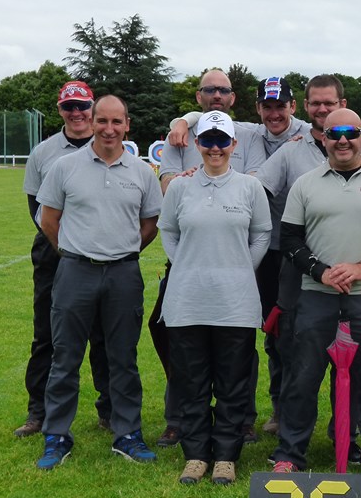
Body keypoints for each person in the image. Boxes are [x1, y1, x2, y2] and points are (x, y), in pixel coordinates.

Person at [272, 108, 361, 475]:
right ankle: (290, 454)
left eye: (351, 132)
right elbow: (289, 239)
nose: (343, 140)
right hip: (316, 294)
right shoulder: (306, 184)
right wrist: (321, 271)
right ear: (323, 139)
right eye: (334, 134)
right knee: (303, 376)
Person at [34, 95, 163, 470]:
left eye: (116, 122)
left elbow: (150, 224)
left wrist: (122, 251)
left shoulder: (142, 172)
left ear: (127, 125)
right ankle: (57, 436)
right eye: (102, 121)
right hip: (76, 271)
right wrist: (73, 253)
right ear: (91, 123)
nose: (109, 129)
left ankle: (128, 434)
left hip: (124, 274)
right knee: (65, 358)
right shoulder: (65, 167)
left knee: (123, 358)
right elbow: (49, 220)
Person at [254, 75, 361, 459]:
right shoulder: (291, 150)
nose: (323, 109)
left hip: (354, 272)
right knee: (298, 357)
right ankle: (292, 441)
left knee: (352, 358)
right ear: (305, 107)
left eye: (329, 103)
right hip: (300, 267)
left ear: (342, 104)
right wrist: (206, 178)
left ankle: (346, 438)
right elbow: (255, 189)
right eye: (316, 103)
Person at [150, 69, 266, 448]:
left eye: (224, 90)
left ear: (234, 98)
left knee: (237, 353)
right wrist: (182, 123)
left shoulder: (250, 135)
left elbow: (259, 216)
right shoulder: (179, 138)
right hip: (189, 265)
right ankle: (180, 421)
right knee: (181, 344)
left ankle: (239, 424)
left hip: (234, 268)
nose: (217, 94)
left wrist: (241, 264)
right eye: (209, 89)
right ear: (198, 96)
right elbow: (168, 204)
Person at [14, 80, 112, 438]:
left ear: (92, 108)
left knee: (103, 336)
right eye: (69, 106)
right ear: (60, 110)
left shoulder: (110, 145)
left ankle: (110, 410)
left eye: (82, 106)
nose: (76, 113)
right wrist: (65, 248)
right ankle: (38, 412)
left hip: (101, 254)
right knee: (47, 335)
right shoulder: (43, 152)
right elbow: (37, 210)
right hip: (54, 254)